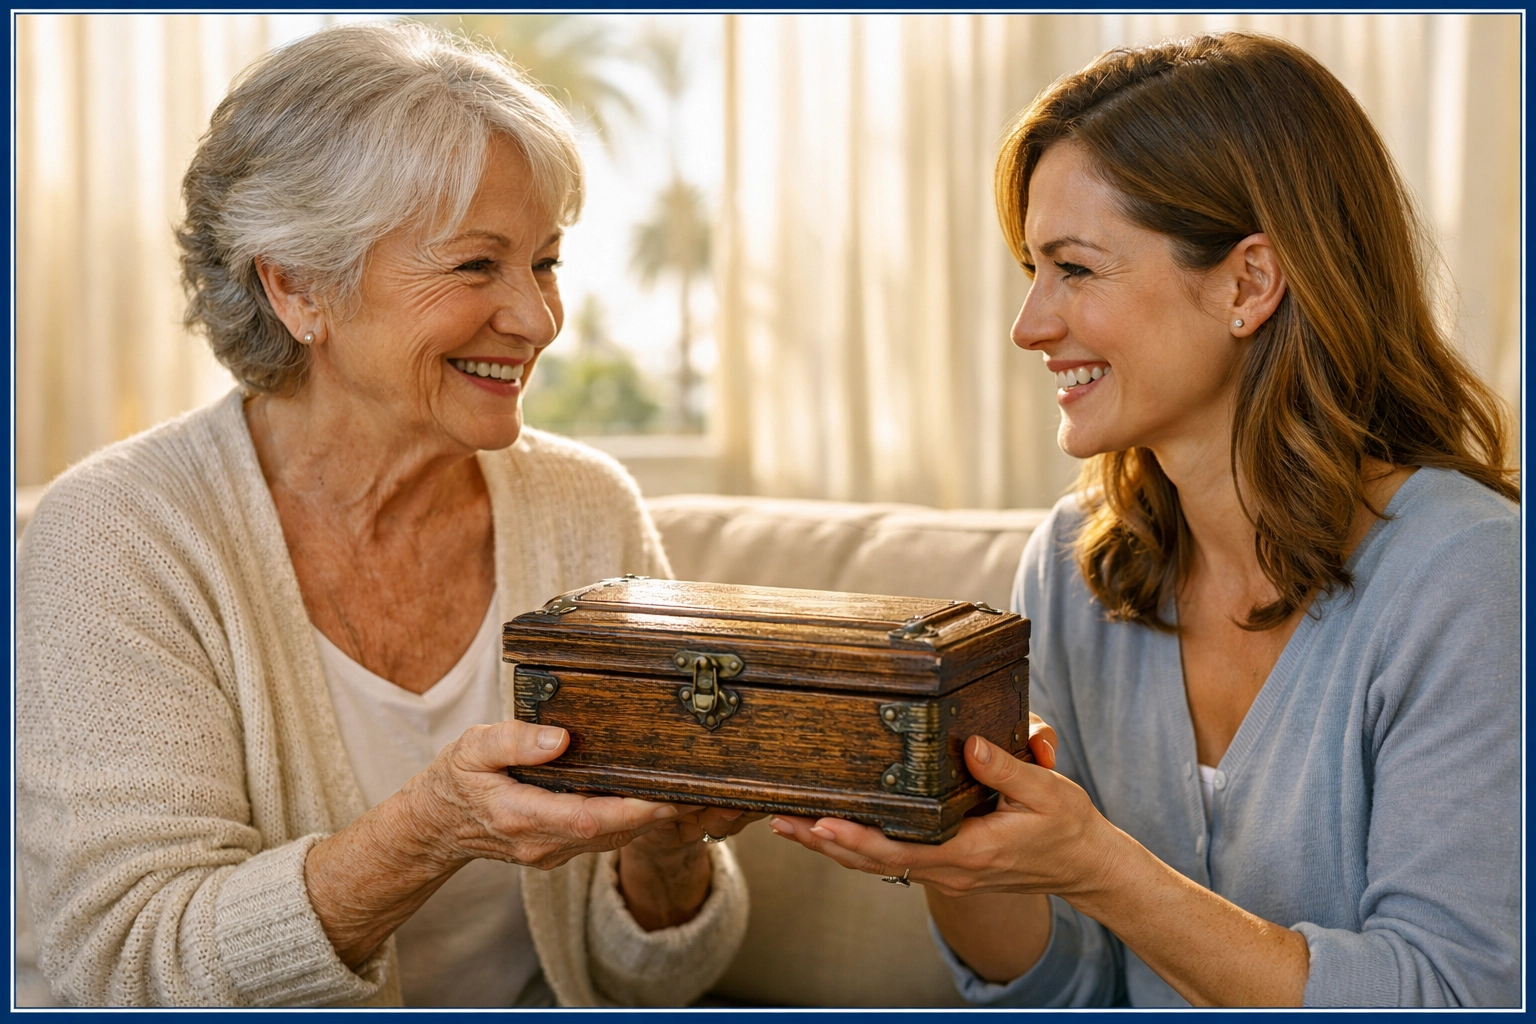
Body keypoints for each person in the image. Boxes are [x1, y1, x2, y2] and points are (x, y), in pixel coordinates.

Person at [769, 31, 1520, 1007]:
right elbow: (1066, 990)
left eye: (1075, 269)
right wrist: (956, 854)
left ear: (1249, 283)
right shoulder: (1076, 570)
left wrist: (1095, 862)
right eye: (1032, 270)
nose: (1030, 324)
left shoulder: (1470, 578)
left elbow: (1455, 996)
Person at [16, 23, 754, 1008]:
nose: (536, 319)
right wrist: (429, 829)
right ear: (295, 285)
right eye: (475, 265)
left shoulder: (588, 511)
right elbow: (124, 972)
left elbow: (656, 981)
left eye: (545, 262)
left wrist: (668, 849)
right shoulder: (118, 540)